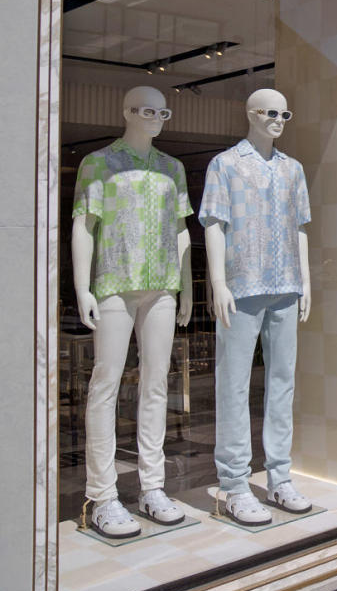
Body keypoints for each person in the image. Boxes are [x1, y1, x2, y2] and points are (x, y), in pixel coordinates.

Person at [71, 86, 193, 538]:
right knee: (105, 383)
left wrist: (187, 288)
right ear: (126, 112)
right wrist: (81, 286)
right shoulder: (98, 162)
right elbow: (84, 224)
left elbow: (181, 229)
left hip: (161, 286)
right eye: (147, 110)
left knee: (156, 385)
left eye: (163, 111)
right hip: (114, 286)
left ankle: (152, 487)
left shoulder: (172, 168)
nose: (157, 117)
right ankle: (102, 495)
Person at [201, 89, 313, 526]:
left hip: (286, 285)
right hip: (242, 287)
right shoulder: (225, 165)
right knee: (233, 383)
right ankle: (233, 484)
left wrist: (305, 281)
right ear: (250, 114)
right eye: (271, 112)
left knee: (282, 383)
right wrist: (218, 283)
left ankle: (280, 477)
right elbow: (213, 223)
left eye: (285, 112)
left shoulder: (293, 169)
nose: (279, 119)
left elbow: (301, 226)